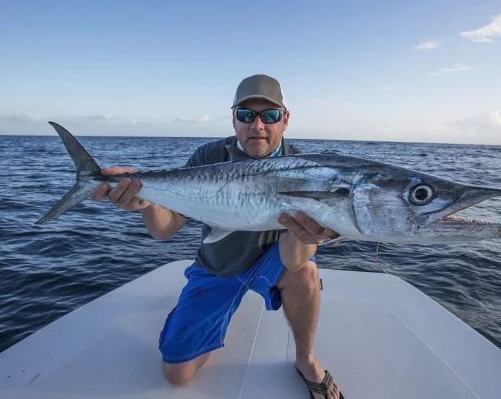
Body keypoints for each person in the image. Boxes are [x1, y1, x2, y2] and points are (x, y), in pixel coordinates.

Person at [92, 74, 344, 399]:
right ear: (233, 117)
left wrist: (308, 233)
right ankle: (215, 318)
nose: (258, 126)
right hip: (217, 266)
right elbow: (162, 230)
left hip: (273, 260)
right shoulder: (208, 156)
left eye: (269, 116)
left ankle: (305, 359)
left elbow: (292, 260)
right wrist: (146, 200)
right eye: (246, 115)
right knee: (177, 374)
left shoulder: (307, 170)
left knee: (305, 271)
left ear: (285, 119)